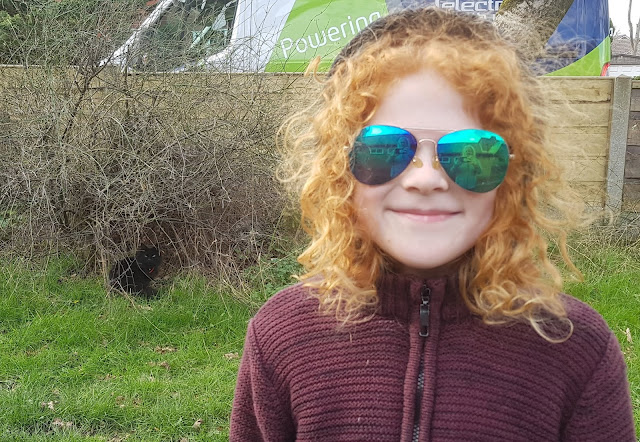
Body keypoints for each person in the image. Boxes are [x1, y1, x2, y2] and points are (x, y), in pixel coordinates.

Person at [230, 7, 635, 441]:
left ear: (515, 175)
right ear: (339, 170)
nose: (425, 179)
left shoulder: (574, 349)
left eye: (471, 152)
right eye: (385, 149)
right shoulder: (281, 336)